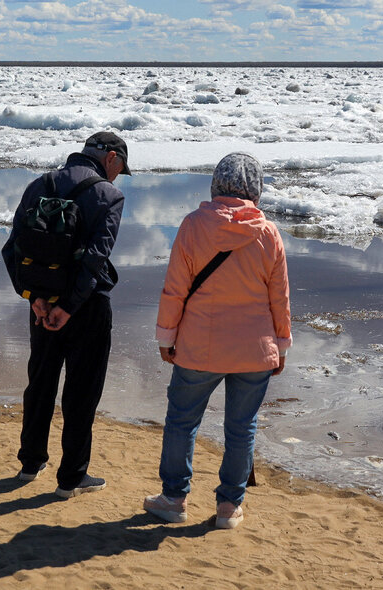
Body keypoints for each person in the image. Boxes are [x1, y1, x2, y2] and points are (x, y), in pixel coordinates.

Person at [143, 152, 291, 529]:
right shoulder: (269, 232)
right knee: (242, 427)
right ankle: (229, 507)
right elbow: (280, 298)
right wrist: (281, 344)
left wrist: (167, 336)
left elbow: (175, 289)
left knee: (182, 421)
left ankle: (174, 499)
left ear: (216, 184)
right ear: (256, 189)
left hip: (198, 347)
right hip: (254, 350)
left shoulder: (194, 226)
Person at [1, 131, 130, 498]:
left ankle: (30, 462)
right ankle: (71, 477)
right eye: (121, 167)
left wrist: (33, 299)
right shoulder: (109, 196)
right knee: (81, 391)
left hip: (42, 305)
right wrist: (69, 308)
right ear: (111, 159)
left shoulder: (39, 184)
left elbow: (12, 249)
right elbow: (94, 260)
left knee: (40, 380)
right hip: (85, 309)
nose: (119, 175)